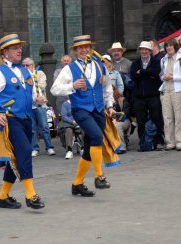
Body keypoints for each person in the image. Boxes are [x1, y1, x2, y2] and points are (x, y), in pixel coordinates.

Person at [0, 33, 45, 209]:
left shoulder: (26, 71)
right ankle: (31, 195)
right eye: (14, 48)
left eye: (19, 47)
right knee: (24, 151)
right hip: (9, 120)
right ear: (5, 53)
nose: (19, 49)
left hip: (25, 119)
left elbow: (30, 96)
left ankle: (3, 196)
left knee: (16, 157)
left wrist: (36, 100)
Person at [51, 34, 115, 197]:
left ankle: (77, 184)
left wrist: (109, 105)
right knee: (96, 137)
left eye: (86, 47)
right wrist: (72, 86)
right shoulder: (69, 69)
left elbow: (107, 87)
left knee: (89, 147)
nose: (83, 50)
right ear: (75, 51)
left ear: (90, 49)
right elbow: (54, 89)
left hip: (99, 110)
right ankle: (99, 176)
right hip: (81, 109)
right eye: (80, 48)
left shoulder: (100, 66)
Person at [130, 41, 165, 150]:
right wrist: (148, 74)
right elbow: (133, 76)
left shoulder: (156, 61)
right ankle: (143, 142)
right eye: (142, 49)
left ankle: (158, 141)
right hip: (139, 96)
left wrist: (142, 72)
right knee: (141, 120)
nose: (144, 51)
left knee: (156, 118)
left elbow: (156, 73)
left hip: (153, 95)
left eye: (146, 49)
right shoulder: (135, 63)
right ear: (140, 51)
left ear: (150, 51)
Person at [22, 57, 55, 157]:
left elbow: (42, 86)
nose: (25, 67)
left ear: (32, 65)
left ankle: (49, 147)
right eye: (23, 66)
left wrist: (31, 77)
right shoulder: (21, 76)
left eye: (27, 65)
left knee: (44, 126)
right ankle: (35, 148)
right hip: (29, 105)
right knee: (32, 128)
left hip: (40, 103)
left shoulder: (39, 73)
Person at [159, 38, 181, 150]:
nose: (168, 48)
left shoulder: (180, 58)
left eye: (171, 45)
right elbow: (161, 75)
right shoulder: (163, 59)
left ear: (175, 46)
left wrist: (173, 77)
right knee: (167, 116)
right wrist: (163, 77)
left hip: (177, 89)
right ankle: (170, 142)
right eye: (167, 46)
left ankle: (179, 141)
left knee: (179, 116)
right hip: (166, 89)